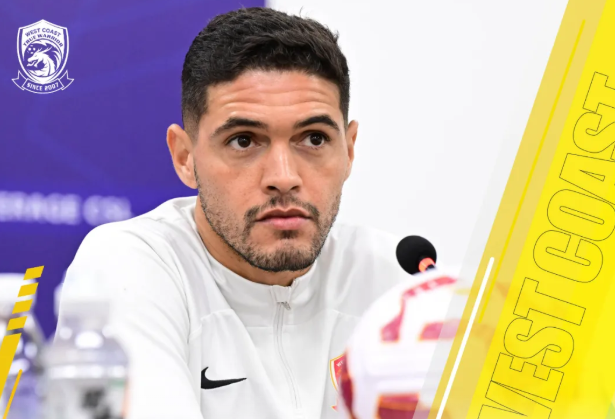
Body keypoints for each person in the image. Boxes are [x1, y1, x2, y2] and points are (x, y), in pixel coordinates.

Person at [57, 7, 414, 419]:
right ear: (185, 157)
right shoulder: (130, 263)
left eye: (314, 139)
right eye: (244, 141)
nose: (284, 177)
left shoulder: (397, 279)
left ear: (349, 151)